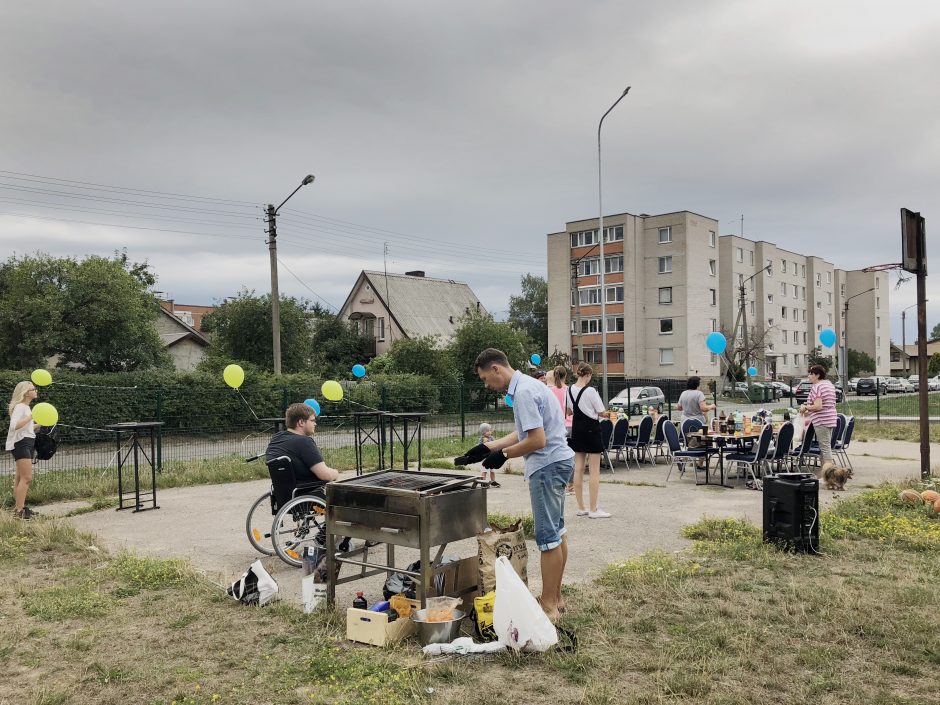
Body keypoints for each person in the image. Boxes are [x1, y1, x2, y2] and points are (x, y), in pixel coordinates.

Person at [457, 348, 574, 622]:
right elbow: (524, 430)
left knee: (547, 538)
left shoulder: (522, 392)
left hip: (546, 466)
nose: (487, 385)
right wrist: (488, 447)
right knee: (558, 532)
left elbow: (536, 440)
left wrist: (504, 455)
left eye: (486, 378)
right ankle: (556, 598)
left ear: (496, 368)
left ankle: (547, 606)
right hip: (558, 462)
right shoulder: (531, 385)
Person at [566, 363, 611, 519]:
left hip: (577, 429)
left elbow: (569, 411)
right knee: (594, 471)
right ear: (588, 375)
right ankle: (593, 509)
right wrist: (609, 415)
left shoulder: (569, 389)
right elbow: (601, 412)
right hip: (591, 430)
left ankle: (581, 507)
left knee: (578, 468)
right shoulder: (591, 390)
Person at [265, 403, 340, 486]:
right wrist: (335, 473)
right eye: (312, 420)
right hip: (308, 491)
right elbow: (326, 475)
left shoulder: (277, 438)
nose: (315, 424)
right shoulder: (304, 442)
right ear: (301, 422)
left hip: (284, 493)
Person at [6, 381, 40, 519]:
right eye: (34, 389)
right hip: (22, 444)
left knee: (20, 478)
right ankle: (19, 512)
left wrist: (40, 424)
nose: (36, 391)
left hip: (26, 442)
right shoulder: (21, 407)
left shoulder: (25, 407)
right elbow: (15, 426)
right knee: (27, 478)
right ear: (26, 393)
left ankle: (20, 508)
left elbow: (26, 429)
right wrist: (32, 417)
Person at [799, 364, 838, 466]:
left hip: (821, 420)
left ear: (817, 375)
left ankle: (830, 473)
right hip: (830, 419)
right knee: (825, 446)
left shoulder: (817, 387)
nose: (809, 376)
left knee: (825, 447)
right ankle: (824, 473)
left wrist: (806, 407)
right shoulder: (829, 385)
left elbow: (818, 406)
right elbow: (828, 403)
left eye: (811, 374)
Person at [477, 422, 500, 487]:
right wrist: (484, 442)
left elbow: (495, 444)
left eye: (490, 430)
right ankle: (483, 482)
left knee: (492, 470)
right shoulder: (481, 439)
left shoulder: (491, 438)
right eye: (487, 431)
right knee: (484, 471)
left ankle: (493, 481)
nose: (489, 432)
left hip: (491, 457)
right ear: (483, 432)